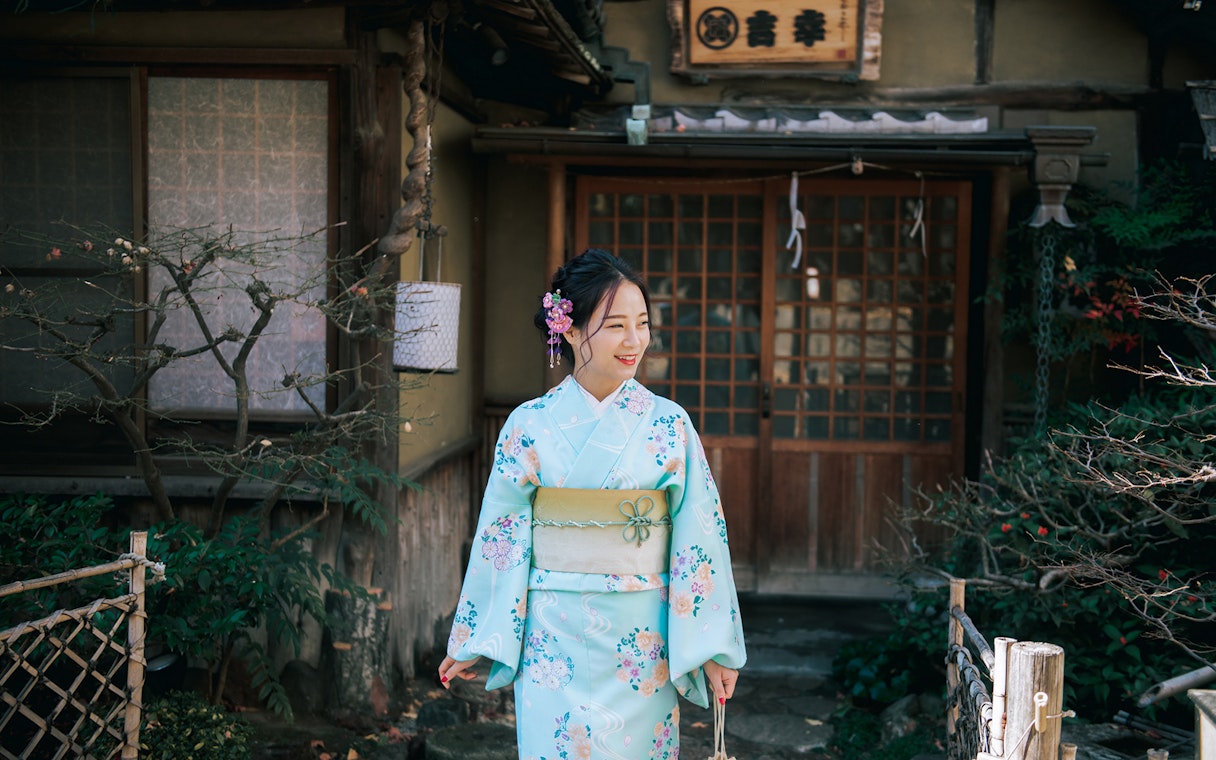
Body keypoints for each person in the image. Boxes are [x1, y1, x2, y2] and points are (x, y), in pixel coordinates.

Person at [439, 248, 746, 758]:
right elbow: (502, 537)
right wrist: (478, 637)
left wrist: (711, 647)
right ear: (573, 329)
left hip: (642, 640)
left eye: (643, 323)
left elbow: (700, 538)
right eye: (617, 325)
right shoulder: (529, 424)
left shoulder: (670, 425)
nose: (635, 341)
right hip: (551, 638)